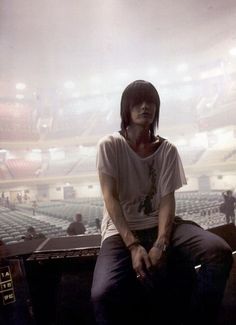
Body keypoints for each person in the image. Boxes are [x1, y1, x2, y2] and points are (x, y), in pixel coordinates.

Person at [91, 80, 233, 325]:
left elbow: (167, 199)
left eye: (151, 102)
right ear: (126, 108)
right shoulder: (110, 145)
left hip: (164, 225)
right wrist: (134, 246)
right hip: (121, 230)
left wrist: (161, 243)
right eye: (138, 102)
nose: (145, 106)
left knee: (219, 252)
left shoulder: (167, 150)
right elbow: (109, 198)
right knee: (102, 293)